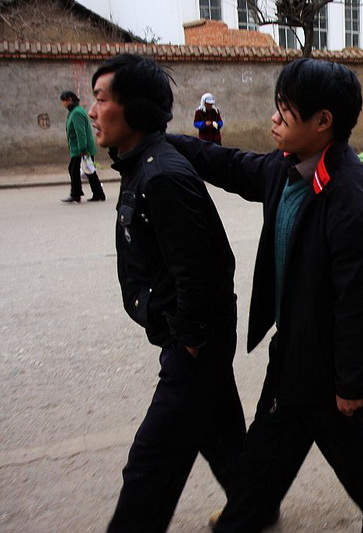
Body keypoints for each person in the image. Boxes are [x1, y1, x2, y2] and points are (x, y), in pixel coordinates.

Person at [167, 58, 363, 533]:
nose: (273, 118)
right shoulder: (288, 167)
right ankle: (249, 512)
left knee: (354, 447)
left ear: (323, 121)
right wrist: (165, 142)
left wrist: (353, 384)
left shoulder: (351, 206)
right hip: (293, 349)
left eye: (285, 110)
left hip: (329, 365)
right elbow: (232, 165)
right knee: (270, 444)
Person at [88, 54, 246, 532]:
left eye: (101, 99)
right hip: (192, 336)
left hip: (192, 342)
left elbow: (204, 269)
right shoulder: (142, 165)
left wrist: (189, 341)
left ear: (134, 110)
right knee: (220, 432)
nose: (92, 111)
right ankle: (253, 504)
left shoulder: (163, 176)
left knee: (150, 465)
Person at [59, 90, 105, 202]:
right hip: (80, 148)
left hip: (81, 149)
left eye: (63, 101)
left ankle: (76, 194)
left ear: (69, 100)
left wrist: (82, 149)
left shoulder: (76, 113)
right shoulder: (75, 111)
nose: (62, 103)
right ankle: (98, 193)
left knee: (74, 169)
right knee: (89, 170)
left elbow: (80, 132)